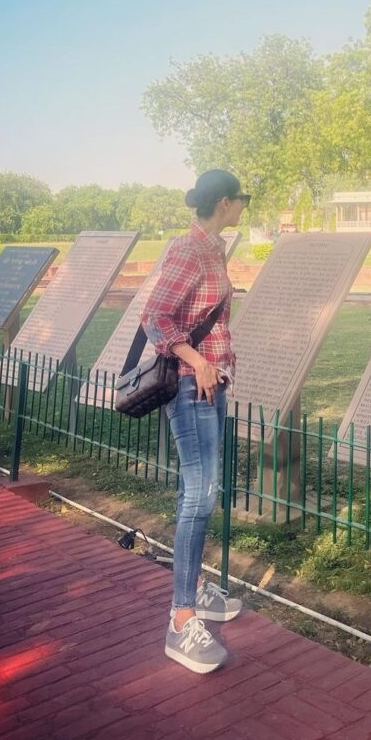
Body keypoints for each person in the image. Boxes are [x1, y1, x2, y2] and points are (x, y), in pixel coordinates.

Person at [141, 169, 250, 674]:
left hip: (211, 383)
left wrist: (216, 366)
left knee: (205, 490)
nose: (245, 204)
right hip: (190, 385)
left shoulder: (215, 248)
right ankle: (181, 617)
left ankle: (196, 589)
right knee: (198, 494)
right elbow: (156, 316)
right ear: (224, 202)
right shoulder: (189, 249)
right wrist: (198, 360)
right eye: (241, 198)